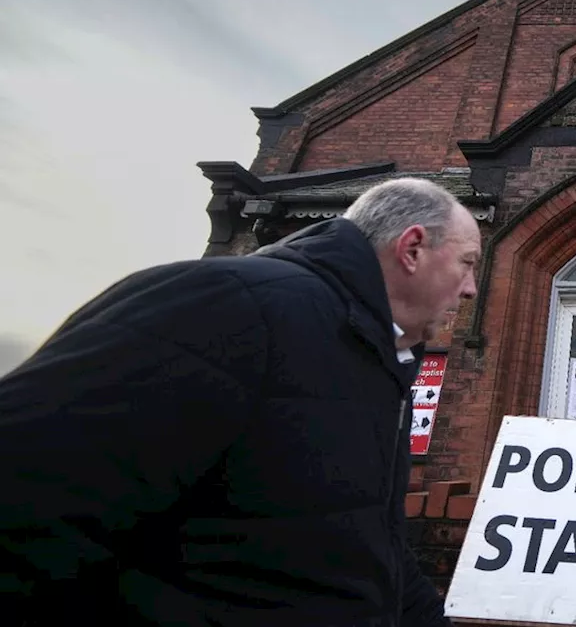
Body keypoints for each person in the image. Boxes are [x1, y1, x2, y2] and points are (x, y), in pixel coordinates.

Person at [0, 177, 480, 626]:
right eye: (468, 263)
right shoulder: (230, 304)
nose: (471, 288)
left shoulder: (379, 365)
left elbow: (373, 551)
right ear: (413, 249)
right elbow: (28, 499)